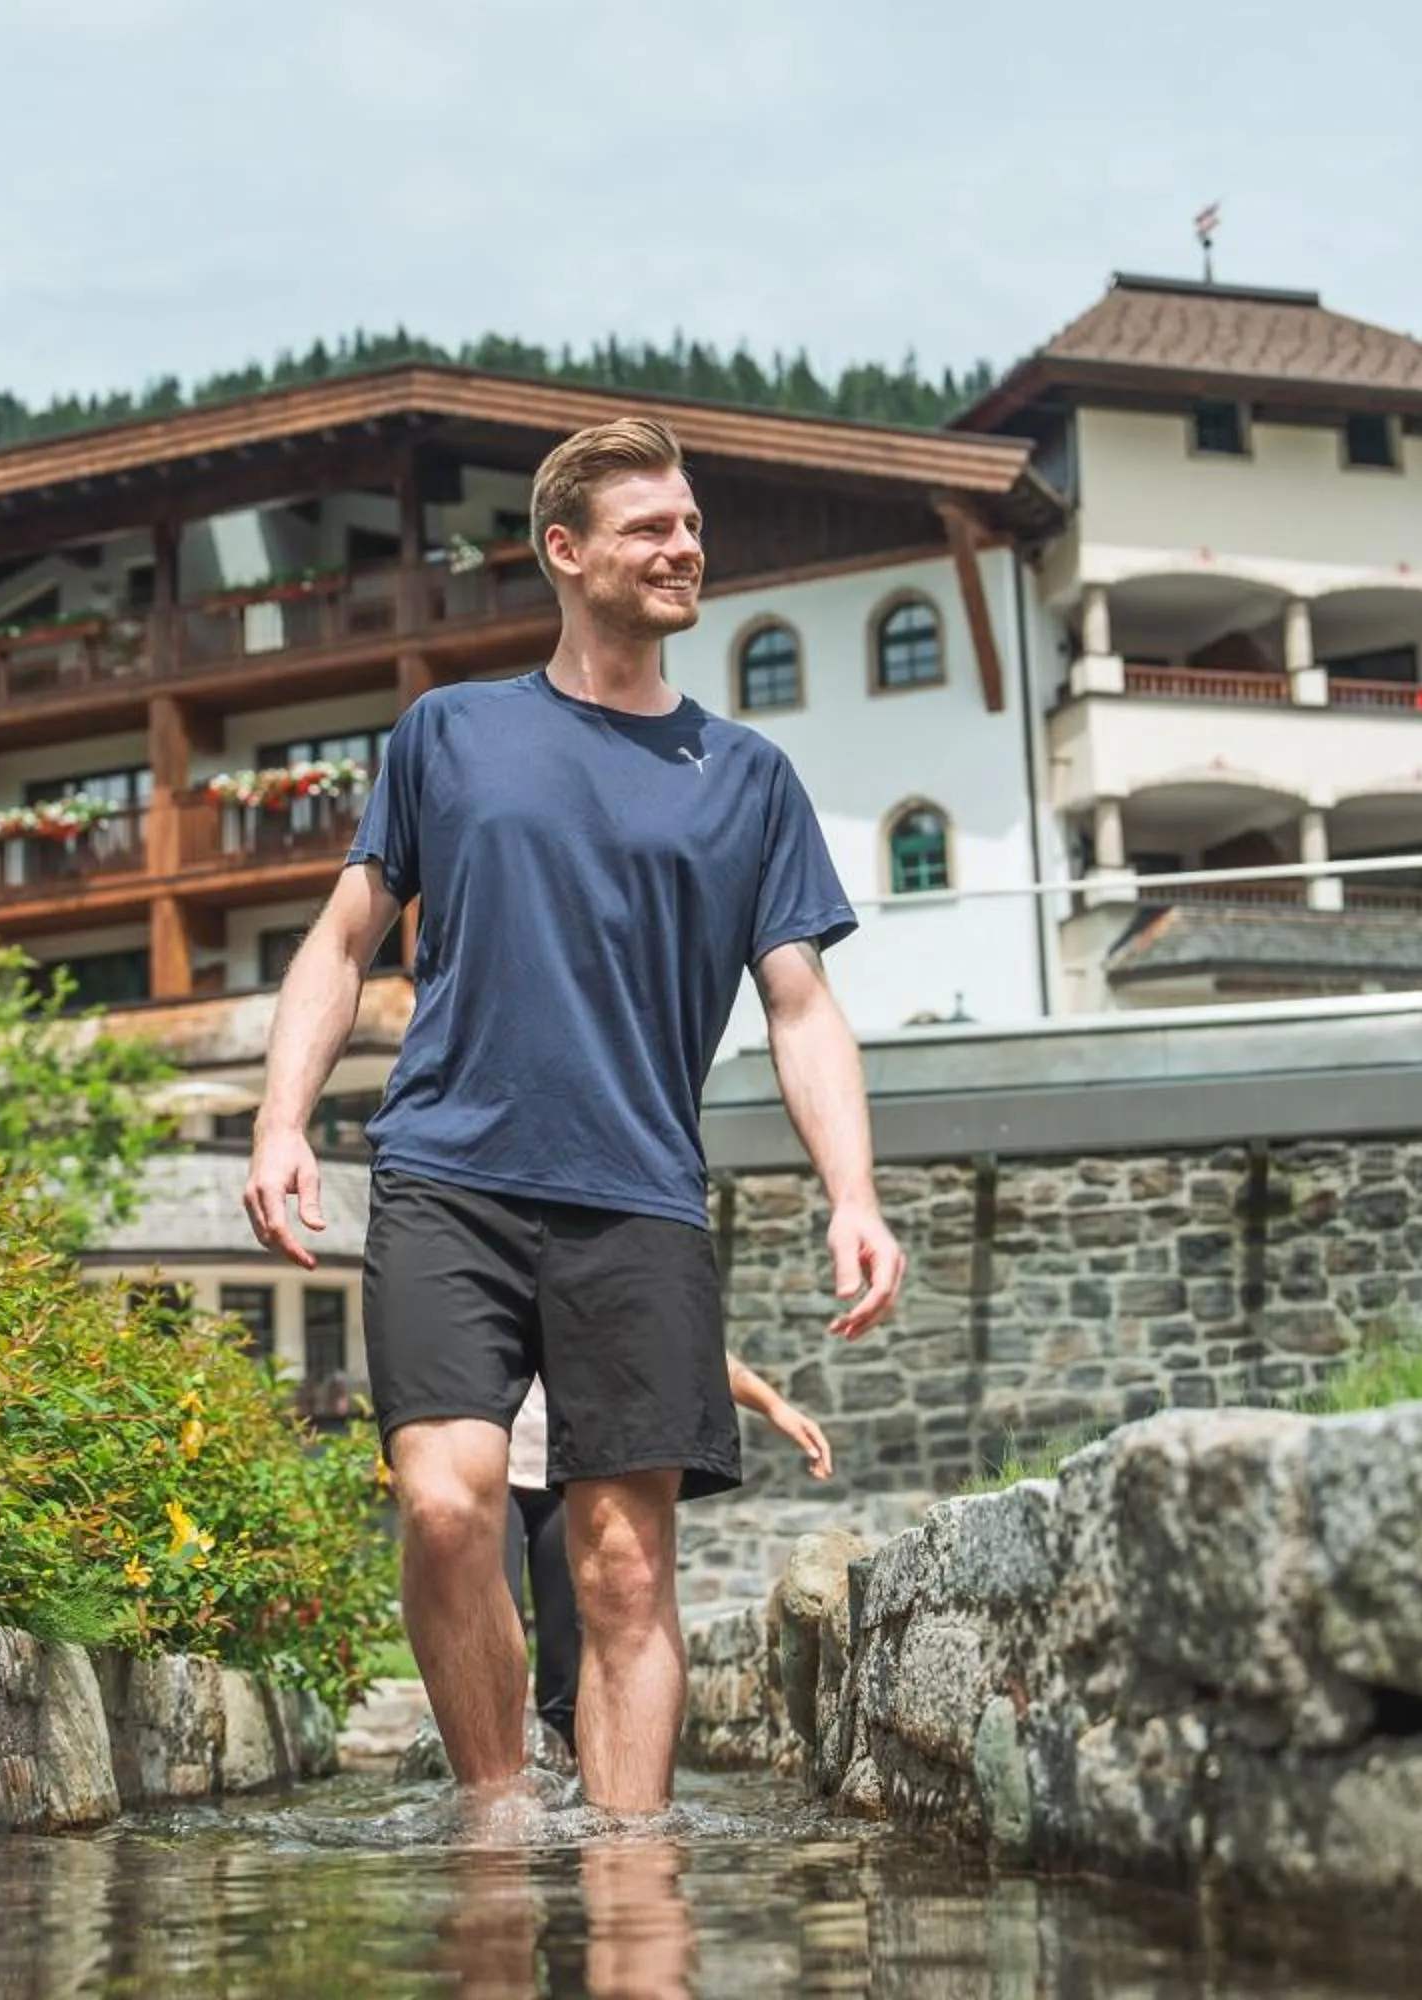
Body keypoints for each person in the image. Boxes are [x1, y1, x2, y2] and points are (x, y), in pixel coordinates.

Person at [243, 415, 903, 1815]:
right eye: (653, 528)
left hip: (639, 1195)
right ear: (565, 551)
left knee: (618, 1568)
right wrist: (280, 1119)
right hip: (445, 1173)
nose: (686, 548)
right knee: (443, 1499)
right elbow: (341, 935)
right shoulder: (452, 735)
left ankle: (630, 1883)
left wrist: (853, 1192)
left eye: (692, 527)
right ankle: (495, 1831)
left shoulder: (748, 779)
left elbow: (799, 1006)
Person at [504, 1360, 834, 1761]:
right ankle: (492, 1786)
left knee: (565, 1656)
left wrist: (775, 1407)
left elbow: (681, 1340)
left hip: (565, 1474)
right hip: (486, 1474)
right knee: (497, 1630)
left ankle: (564, 1779)